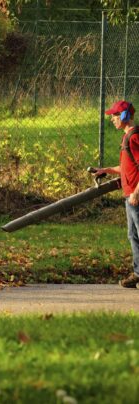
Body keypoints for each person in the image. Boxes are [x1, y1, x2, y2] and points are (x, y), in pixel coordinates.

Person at [94, 100, 139, 288]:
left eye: (114, 115)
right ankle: (138, 273)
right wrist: (106, 170)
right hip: (129, 196)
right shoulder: (126, 137)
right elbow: (126, 167)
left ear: (124, 116)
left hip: (136, 196)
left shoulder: (135, 137)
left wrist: (137, 192)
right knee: (133, 235)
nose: (112, 119)